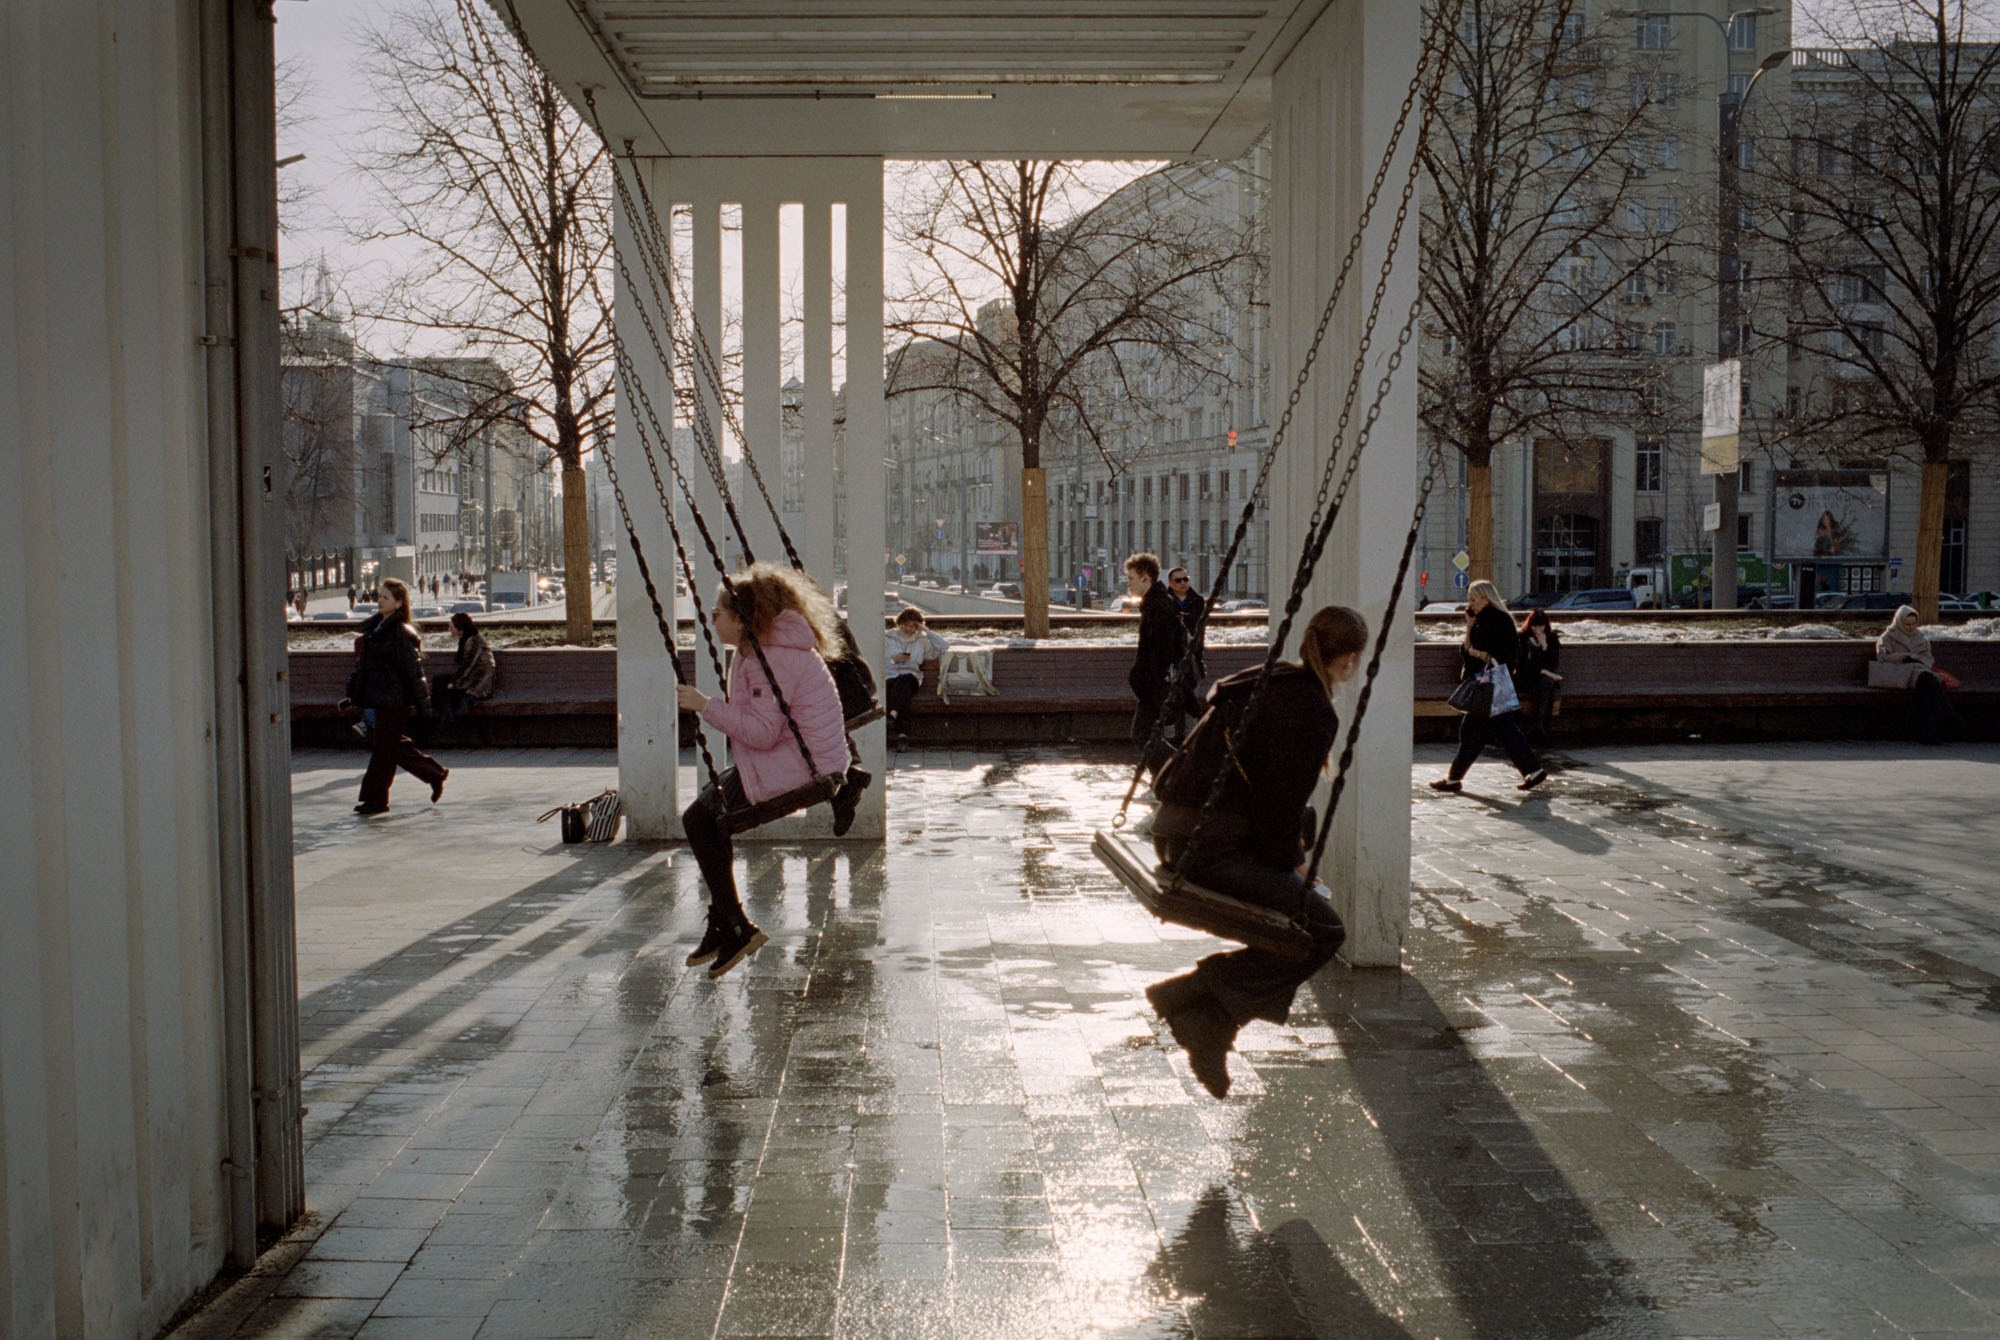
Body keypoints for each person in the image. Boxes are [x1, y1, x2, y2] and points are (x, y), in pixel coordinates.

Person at [1142, 605, 1369, 1099]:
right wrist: (1294, 862)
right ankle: (1194, 1002)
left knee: (1294, 915)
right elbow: (1277, 807)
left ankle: (1209, 1019)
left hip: (1175, 831)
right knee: (1322, 929)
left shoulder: (1269, 680)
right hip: (1209, 848)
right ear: (1349, 660)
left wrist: (1288, 855)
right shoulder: (1311, 709)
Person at [674, 563, 854, 978]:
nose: (712, 619)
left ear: (741, 619)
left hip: (804, 767)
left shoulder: (768, 657)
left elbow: (761, 732)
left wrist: (705, 706)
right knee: (704, 813)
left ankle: (734, 925)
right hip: (804, 756)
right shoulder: (762, 649)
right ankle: (725, 922)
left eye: (718, 613)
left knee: (701, 821)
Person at [1430, 579, 1546, 793]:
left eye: (1473, 599)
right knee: (1489, 731)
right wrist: (1469, 627)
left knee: (1484, 731)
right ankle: (1533, 770)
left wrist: (1478, 653)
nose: (1470, 603)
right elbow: (1466, 650)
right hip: (1486, 684)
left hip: (1490, 684)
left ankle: (1454, 779)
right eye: (1469, 599)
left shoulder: (1498, 620)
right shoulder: (1481, 620)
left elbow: (1503, 655)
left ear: (1486, 598)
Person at [350, 578, 449, 815]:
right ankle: (434, 774)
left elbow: (413, 673)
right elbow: (364, 666)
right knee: (393, 746)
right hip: (377, 699)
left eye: (385, 597)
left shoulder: (400, 633)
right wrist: (354, 690)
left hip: (394, 701)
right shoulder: (376, 628)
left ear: (398, 602)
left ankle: (376, 800)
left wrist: (425, 707)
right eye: (379, 596)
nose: (379, 601)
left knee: (384, 751)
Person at [1124, 552, 1187, 773]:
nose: (1128, 583)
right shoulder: (1155, 604)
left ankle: (1180, 771)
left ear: (1145, 578)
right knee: (1149, 734)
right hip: (1153, 685)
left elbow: (1162, 651)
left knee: (1142, 734)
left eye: (1131, 578)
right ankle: (1161, 779)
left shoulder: (1158, 608)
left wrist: (1145, 679)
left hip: (1155, 686)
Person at [1875, 605, 1966, 744]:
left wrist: (1920, 661)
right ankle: (1950, 718)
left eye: (1913, 624)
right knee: (1930, 682)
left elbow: (1929, 658)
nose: (1911, 627)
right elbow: (1883, 657)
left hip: (1919, 672)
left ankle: (1931, 734)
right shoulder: (1888, 636)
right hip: (1901, 672)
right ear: (1899, 621)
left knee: (1927, 689)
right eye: (1907, 624)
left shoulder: (1920, 637)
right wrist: (1907, 656)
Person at [884, 606, 947, 751]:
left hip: (912, 677)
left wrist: (927, 631)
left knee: (905, 680)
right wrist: (894, 660)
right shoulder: (887, 638)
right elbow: (877, 659)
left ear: (918, 626)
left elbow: (943, 647)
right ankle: (902, 736)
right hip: (890, 675)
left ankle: (891, 713)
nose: (909, 628)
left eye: (913, 626)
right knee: (903, 696)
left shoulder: (922, 640)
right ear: (899, 623)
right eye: (905, 624)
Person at [431, 611, 498, 723]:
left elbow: (468, 666)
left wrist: (454, 683)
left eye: (451, 627)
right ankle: (448, 712)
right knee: (438, 682)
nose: (449, 629)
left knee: (441, 687)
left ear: (460, 629)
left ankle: (449, 715)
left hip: (478, 684)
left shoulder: (473, 641)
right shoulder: (467, 638)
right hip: (471, 679)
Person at [1517, 608, 1563, 747]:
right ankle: (1541, 728)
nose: (1537, 629)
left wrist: (1544, 646)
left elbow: (1553, 664)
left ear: (1546, 625)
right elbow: (1523, 666)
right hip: (1525, 678)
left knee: (1547, 685)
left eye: (1541, 625)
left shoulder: (1551, 639)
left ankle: (1539, 726)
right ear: (1529, 625)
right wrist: (1545, 671)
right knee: (1547, 685)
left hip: (1542, 680)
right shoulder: (1523, 639)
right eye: (1534, 625)